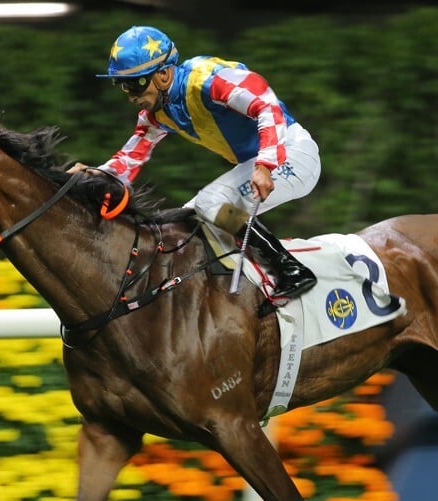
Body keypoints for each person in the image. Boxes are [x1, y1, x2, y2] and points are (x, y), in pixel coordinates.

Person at [72, 25, 320, 304]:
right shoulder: (158, 112)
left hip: (293, 155)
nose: (130, 95)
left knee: (211, 203)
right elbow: (128, 162)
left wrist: (265, 165)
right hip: (263, 161)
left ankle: (291, 270)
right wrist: (91, 176)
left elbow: (267, 106)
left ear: (163, 74)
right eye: (122, 85)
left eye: (135, 83)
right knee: (184, 224)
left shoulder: (207, 80)